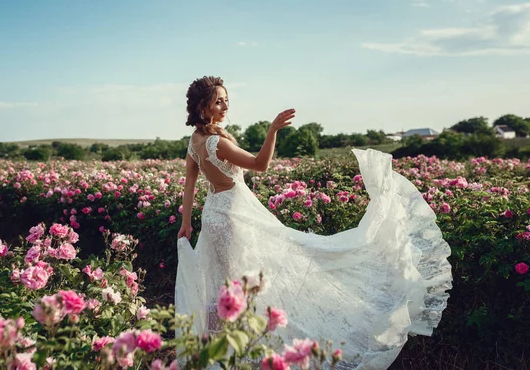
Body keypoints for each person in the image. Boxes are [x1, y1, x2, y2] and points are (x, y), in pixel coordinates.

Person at [175, 76, 452, 369]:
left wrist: (186, 223)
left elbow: (190, 184)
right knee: (241, 278)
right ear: (203, 108)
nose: (225, 104)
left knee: (221, 281)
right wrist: (272, 131)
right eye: (218, 101)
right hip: (233, 214)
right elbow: (260, 164)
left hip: (214, 214)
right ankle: (234, 350)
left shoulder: (195, 142)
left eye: (226, 98)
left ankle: (218, 350)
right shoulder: (217, 141)